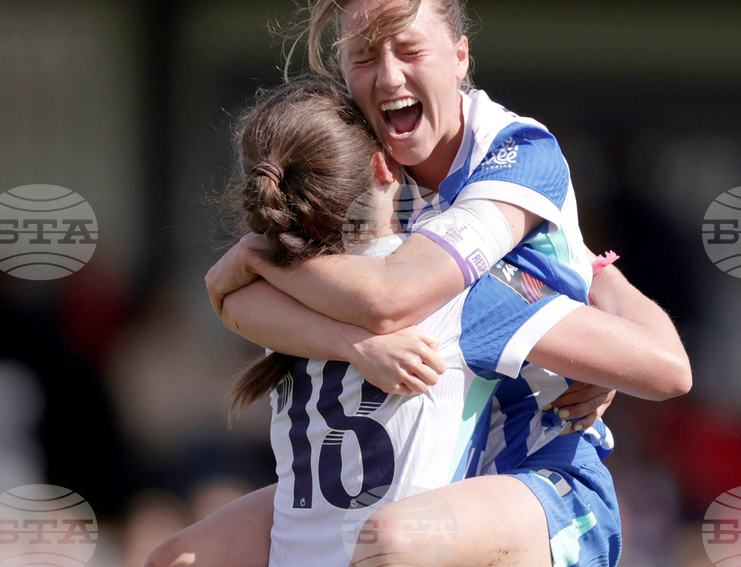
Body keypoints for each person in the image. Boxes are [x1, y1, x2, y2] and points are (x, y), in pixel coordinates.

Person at [151, 79, 690, 567]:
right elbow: (669, 371)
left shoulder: (274, 289)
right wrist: (593, 268)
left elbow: (225, 295)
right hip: (405, 549)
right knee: (393, 539)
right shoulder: (467, 292)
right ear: (388, 169)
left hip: (315, 552)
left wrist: (268, 264)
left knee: (174, 556)